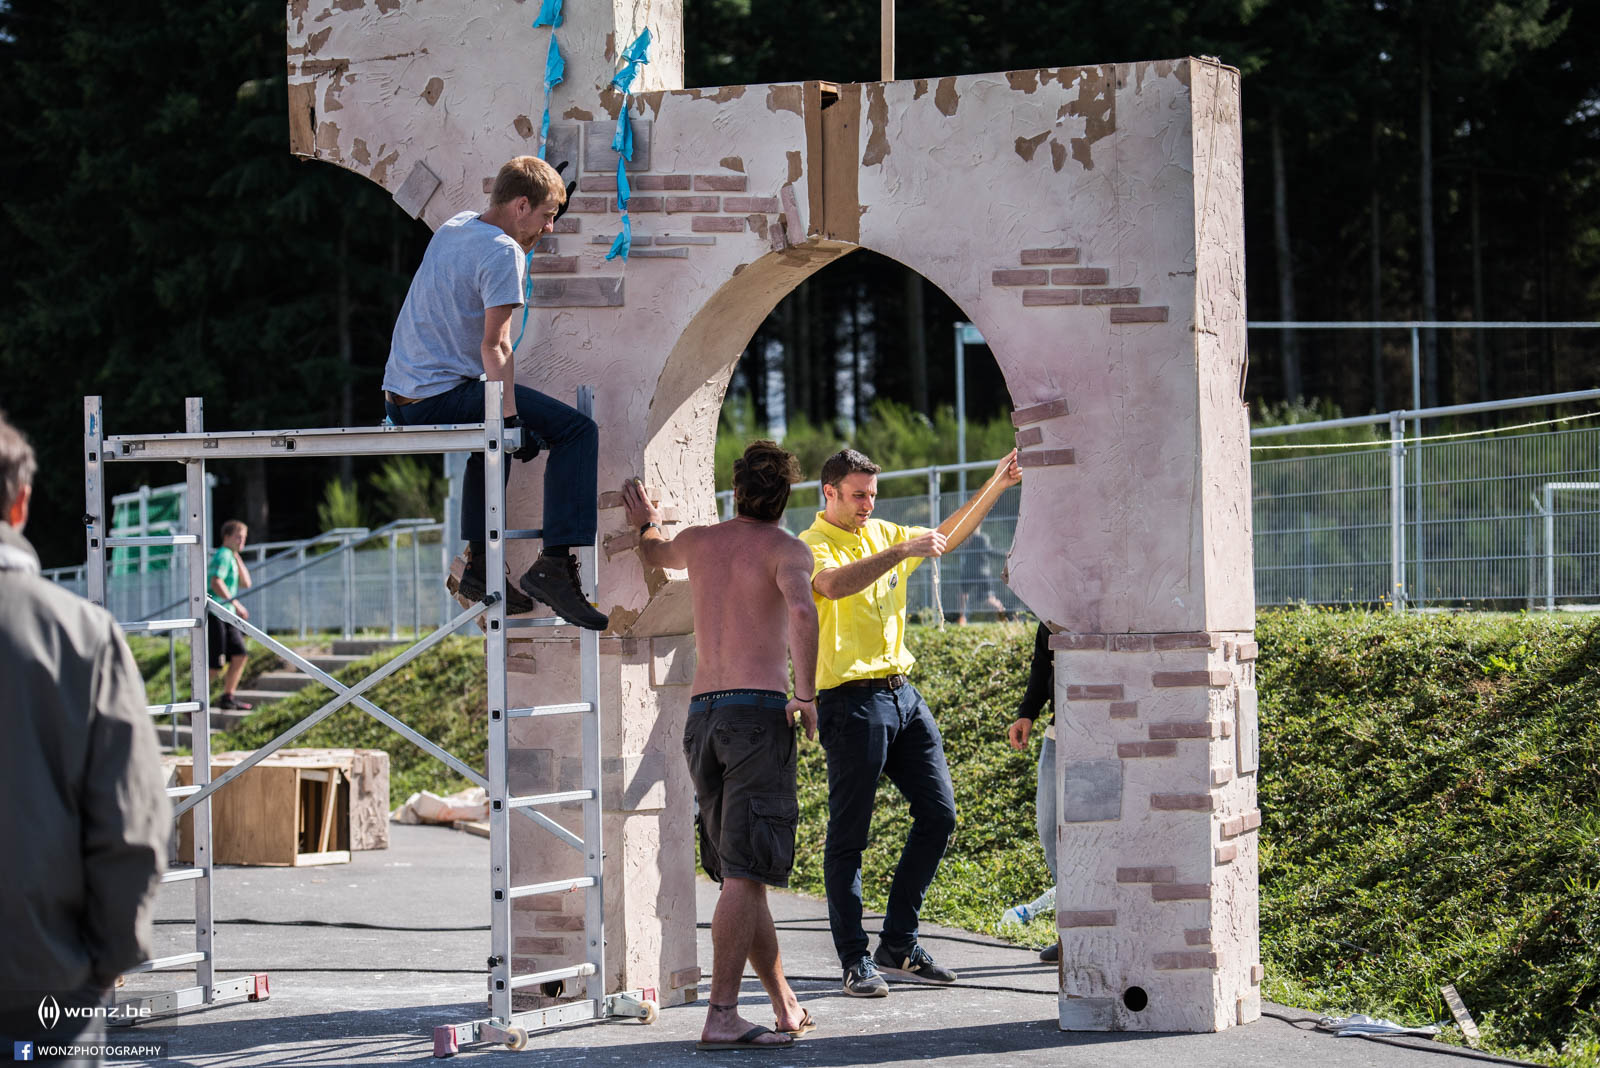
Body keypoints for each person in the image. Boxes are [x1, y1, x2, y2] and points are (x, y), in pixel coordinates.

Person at [802, 447, 1022, 997]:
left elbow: (946, 534)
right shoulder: (809, 546)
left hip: (904, 697)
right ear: (828, 492)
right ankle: (855, 960)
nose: (868, 505)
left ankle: (898, 943)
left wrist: (995, 484)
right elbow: (832, 587)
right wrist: (901, 548)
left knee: (940, 815)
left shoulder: (882, 531)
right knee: (849, 835)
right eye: (858, 495)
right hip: (849, 703)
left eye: (873, 495)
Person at [621, 441, 819, 1051]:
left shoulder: (702, 542)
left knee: (742, 871)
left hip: (702, 718)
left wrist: (647, 520)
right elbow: (804, 613)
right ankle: (723, 1013)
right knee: (745, 873)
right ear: (785, 499)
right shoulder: (787, 550)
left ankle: (783, 1003)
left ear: (736, 491)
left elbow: (654, 550)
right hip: (758, 715)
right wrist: (806, 697)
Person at [0, 412, 170, 1064]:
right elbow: (133, 821)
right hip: (46, 977)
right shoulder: (84, 635)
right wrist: (106, 962)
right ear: (21, 503)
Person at [382, 154, 605, 631]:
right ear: (521, 206)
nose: (548, 229)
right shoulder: (503, 252)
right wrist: (509, 424)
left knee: (493, 438)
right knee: (574, 432)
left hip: (401, 399)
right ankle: (555, 565)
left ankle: (480, 567)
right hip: (437, 397)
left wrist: (505, 424)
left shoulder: (457, 226)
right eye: (547, 216)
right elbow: (496, 345)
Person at [1005, 620, 1061, 963]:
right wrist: (1027, 713)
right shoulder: (1049, 614)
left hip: (1102, 727)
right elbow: (1041, 664)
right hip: (1059, 730)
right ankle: (1070, 931)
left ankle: (1087, 932)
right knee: (1050, 829)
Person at [208, 519, 254, 711]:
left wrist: (238, 557)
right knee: (216, 664)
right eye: (238, 537)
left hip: (228, 615)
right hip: (218, 613)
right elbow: (215, 582)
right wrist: (235, 603)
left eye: (244, 538)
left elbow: (246, 583)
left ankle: (228, 696)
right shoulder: (223, 555)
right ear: (227, 537)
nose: (242, 541)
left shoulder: (231, 556)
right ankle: (192, 700)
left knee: (240, 655)